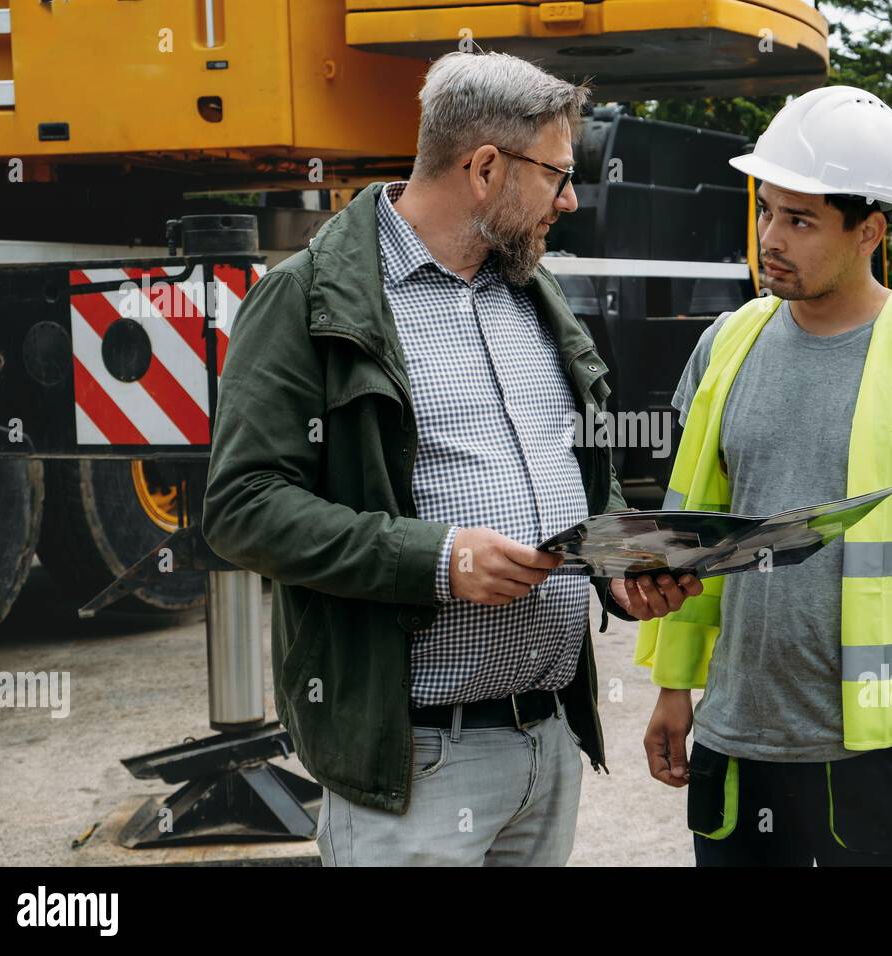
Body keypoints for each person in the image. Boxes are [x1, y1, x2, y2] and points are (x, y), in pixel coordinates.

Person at [203, 51, 698, 867]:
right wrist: (437, 558)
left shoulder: (533, 294)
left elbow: (583, 474)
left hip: (545, 742)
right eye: (558, 176)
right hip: (414, 765)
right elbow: (243, 507)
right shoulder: (309, 297)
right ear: (485, 168)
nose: (569, 201)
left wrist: (618, 565)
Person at [636, 85, 892, 866]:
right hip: (735, 743)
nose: (770, 239)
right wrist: (674, 686)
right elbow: (693, 536)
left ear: (870, 231)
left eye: (802, 219)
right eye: (767, 212)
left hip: (883, 756)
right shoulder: (727, 344)